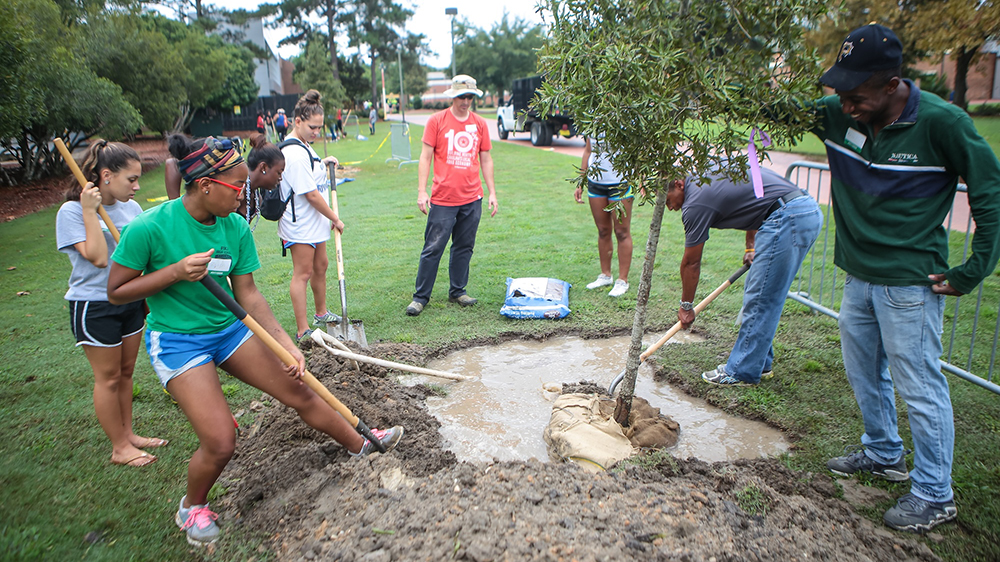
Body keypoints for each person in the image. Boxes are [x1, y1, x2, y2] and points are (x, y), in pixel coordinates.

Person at [107, 135, 403, 547]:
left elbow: (247, 295)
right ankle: (192, 506)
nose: (245, 194)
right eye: (236, 186)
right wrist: (175, 272)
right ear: (205, 185)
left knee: (300, 388)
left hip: (228, 332)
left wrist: (286, 343)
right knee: (221, 441)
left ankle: (361, 443)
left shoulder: (233, 227)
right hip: (178, 341)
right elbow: (117, 291)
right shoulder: (150, 227)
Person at [802, 24, 1000, 533]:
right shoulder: (838, 112)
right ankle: (885, 452)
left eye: (856, 95)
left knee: (920, 387)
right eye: (839, 94)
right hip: (858, 278)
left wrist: (974, 268)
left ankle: (935, 493)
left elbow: (990, 192)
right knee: (864, 372)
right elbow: (767, 110)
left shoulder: (942, 123)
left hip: (910, 284)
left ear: (892, 84)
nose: (844, 106)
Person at [56, 140, 167, 468]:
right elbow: (100, 258)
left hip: (130, 300)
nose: (137, 186)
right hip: (94, 305)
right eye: (131, 179)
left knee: (126, 371)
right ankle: (119, 447)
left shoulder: (131, 209)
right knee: (107, 378)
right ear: (106, 175)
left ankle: (128, 434)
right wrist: (90, 212)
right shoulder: (72, 211)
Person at [665, 166, 822, 385]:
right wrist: (751, 247)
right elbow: (759, 198)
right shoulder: (709, 175)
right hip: (798, 211)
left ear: (679, 184)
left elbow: (691, 263)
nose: (669, 207)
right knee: (761, 293)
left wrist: (686, 306)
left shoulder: (695, 203)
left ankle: (741, 371)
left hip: (787, 217)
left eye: (667, 199)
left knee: (761, 297)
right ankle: (760, 363)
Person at [405, 75, 498, 317]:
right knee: (433, 247)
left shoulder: (479, 124)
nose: (466, 101)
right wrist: (422, 191)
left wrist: (492, 193)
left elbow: (486, 158)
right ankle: (420, 297)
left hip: (472, 197)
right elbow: (425, 157)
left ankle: (458, 290)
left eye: (469, 97)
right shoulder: (437, 121)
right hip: (443, 199)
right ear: (452, 96)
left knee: (464, 246)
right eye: (461, 96)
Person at [278, 90, 345, 341]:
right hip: (300, 223)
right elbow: (311, 195)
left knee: (321, 265)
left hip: (315, 220)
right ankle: (303, 329)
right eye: (312, 127)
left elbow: (312, 172)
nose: (317, 132)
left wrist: (323, 160)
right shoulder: (293, 153)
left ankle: (321, 313)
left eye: (320, 128)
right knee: (303, 272)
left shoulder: (305, 145)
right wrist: (335, 218)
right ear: (297, 122)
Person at [576, 136, 636, 298]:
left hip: (620, 183)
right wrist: (580, 181)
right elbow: (588, 150)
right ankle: (605, 275)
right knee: (603, 230)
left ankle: (622, 280)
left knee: (622, 232)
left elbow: (636, 150)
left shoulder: (624, 117)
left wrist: (641, 180)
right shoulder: (591, 121)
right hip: (596, 184)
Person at [237, 132, 286, 226]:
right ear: (263, 167)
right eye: (279, 173)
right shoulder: (237, 189)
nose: (280, 178)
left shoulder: (256, 196)